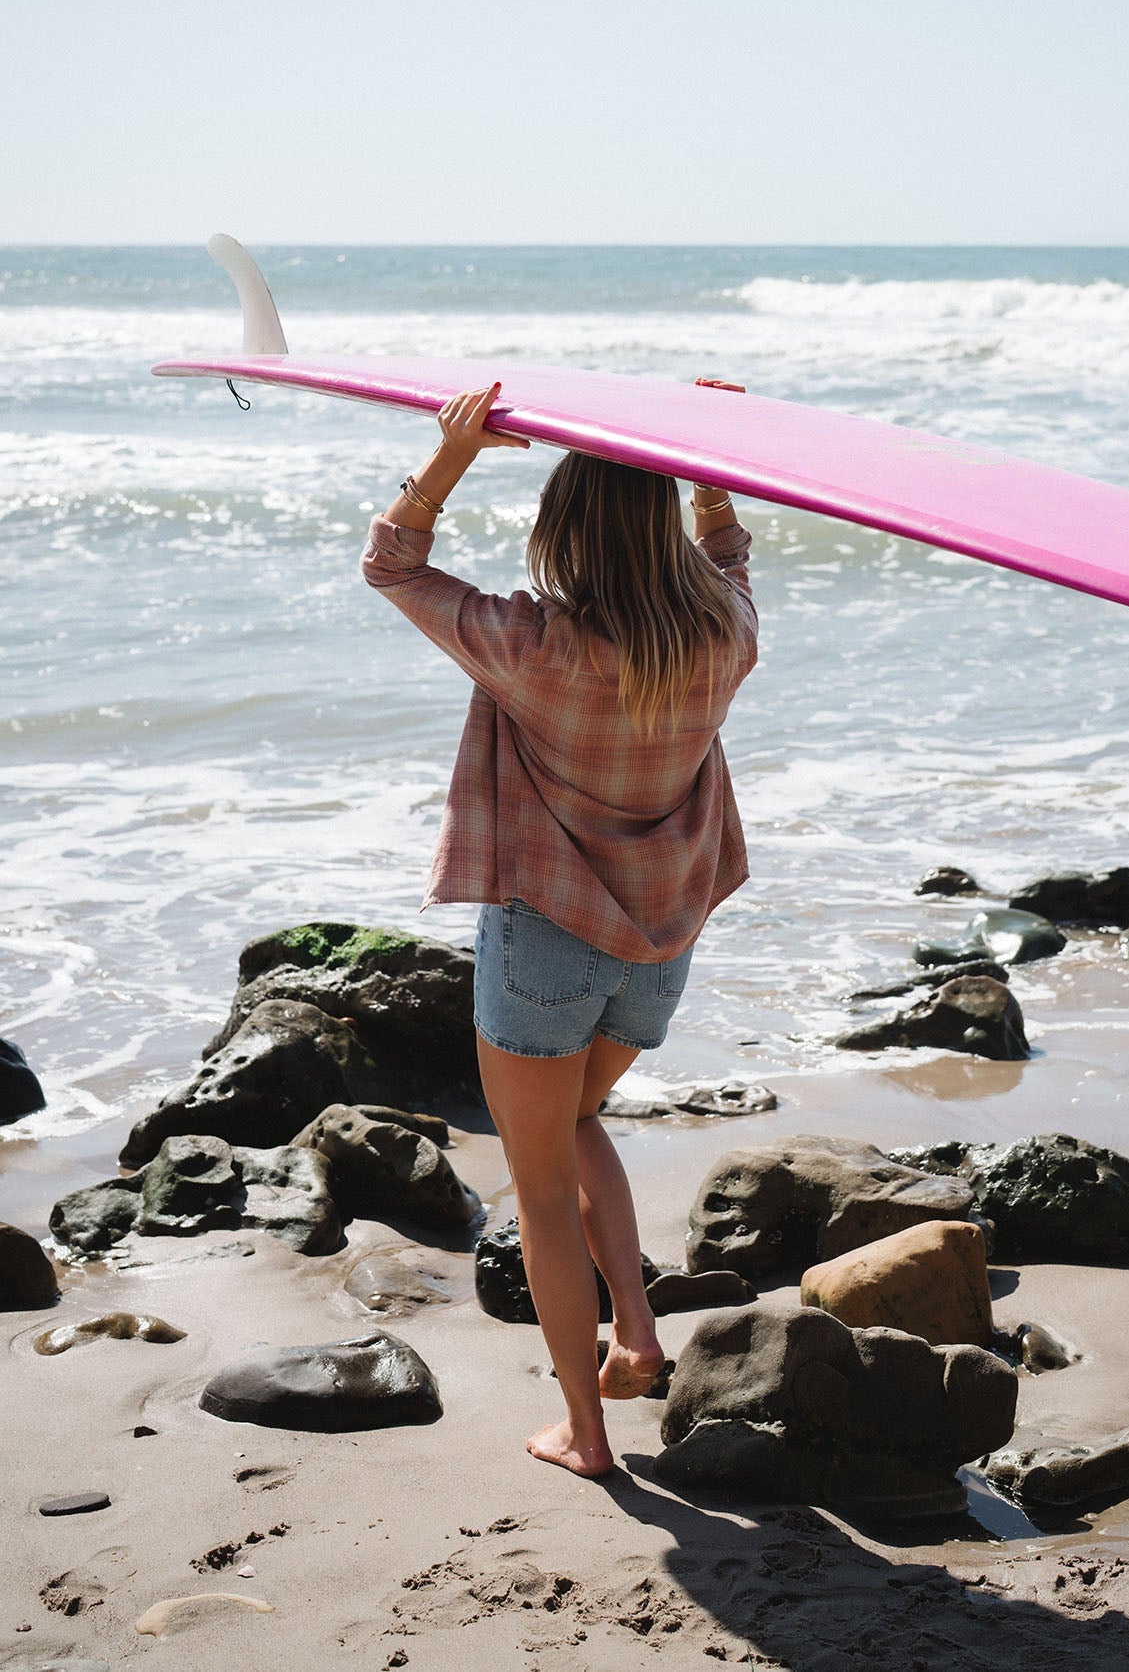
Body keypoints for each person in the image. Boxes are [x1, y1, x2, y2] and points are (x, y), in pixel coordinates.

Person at [361, 383, 758, 1477]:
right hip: (661, 947)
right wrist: (709, 471)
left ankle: (586, 1435)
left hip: (544, 944)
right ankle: (634, 1325)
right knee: (579, 1121)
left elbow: (390, 563)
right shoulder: (726, 635)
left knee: (536, 1183)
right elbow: (728, 558)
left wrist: (449, 459)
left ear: (564, 531)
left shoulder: (532, 644)